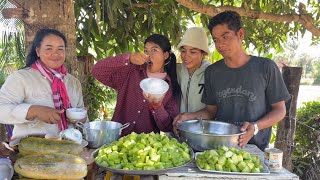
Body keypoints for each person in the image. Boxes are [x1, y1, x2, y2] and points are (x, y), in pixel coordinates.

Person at [174, 11, 290, 151]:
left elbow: (280, 110)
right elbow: (211, 112)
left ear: (240, 34)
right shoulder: (212, 72)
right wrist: (188, 116)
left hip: (255, 149)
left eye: (225, 37)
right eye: (216, 40)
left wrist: (255, 126)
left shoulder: (265, 67)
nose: (220, 44)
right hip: (219, 149)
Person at [0, 28, 85, 139]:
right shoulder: (20, 78)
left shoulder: (73, 82)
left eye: (60, 49)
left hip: (68, 147)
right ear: (38, 51)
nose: (55, 54)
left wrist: (82, 118)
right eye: (49, 48)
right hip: (30, 150)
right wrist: (34, 111)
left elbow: (82, 119)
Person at [91, 34, 180, 136]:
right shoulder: (130, 71)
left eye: (154, 50)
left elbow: (168, 126)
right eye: (146, 51)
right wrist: (128, 58)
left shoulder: (169, 87)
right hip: (117, 140)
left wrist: (157, 107)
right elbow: (97, 71)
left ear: (165, 55)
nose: (148, 55)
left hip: (145, 147)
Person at [176, 27, 211, 113]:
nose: (186, 56)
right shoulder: (176, 70)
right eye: (183, 51)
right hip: (179, 124)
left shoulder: (211, 72)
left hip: (203, 125)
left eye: (193, 52)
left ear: (203, 54)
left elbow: (213, 109)